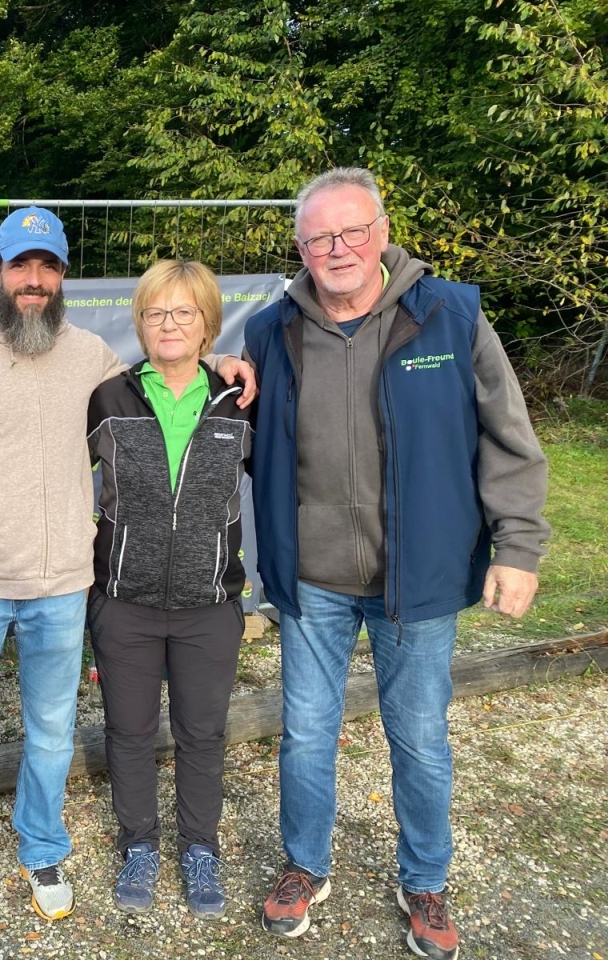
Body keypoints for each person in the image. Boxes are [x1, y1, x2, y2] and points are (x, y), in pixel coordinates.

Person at [0, 207, 257, 948]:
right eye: (20, 266)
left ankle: (44, 850)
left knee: (52, 734)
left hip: (63, 586)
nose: (34, 280)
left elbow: (164, 372)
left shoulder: (91, 356)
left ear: (62, 278)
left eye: (48, 267)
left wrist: (222, 362)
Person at [245, 168, 549, 960]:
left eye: (352, 231)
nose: (337, 249)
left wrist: (518, 545)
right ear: (301, 248)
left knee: (417, 737)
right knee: (305, 736)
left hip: (417, 578)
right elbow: (242, 440)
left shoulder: (449, 316)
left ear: (381, 233)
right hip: (311, 579)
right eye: (319, 237)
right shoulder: (269, 331)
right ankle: (306, 865)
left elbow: (508, 438)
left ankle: (424, 879)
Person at [85, 260, 253, 919]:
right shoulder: (109, 398)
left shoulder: (238, 400)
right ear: (141, 323)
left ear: (209, 322)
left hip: (209, 605)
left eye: (184, 312)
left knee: (202, 733)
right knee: (127, 732)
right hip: (124, 602)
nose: (169, 324)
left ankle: (200, 849)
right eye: (156, 312)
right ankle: (140, 845)